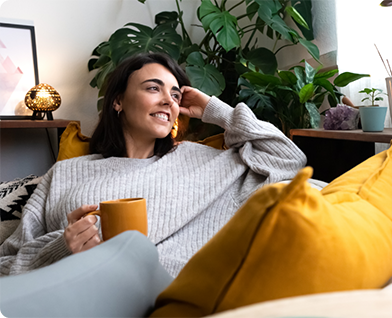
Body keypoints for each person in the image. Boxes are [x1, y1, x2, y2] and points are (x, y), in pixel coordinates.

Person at [0, 53, 306, 277]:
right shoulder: (65, 173)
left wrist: (215, 110)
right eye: (153, 88)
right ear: (118, 101)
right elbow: (8, 264)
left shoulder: (205, 162)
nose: (169, 101)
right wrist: (62, 249)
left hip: (169, 292)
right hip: (74, 287)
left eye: (175, 94)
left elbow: (287, 160)